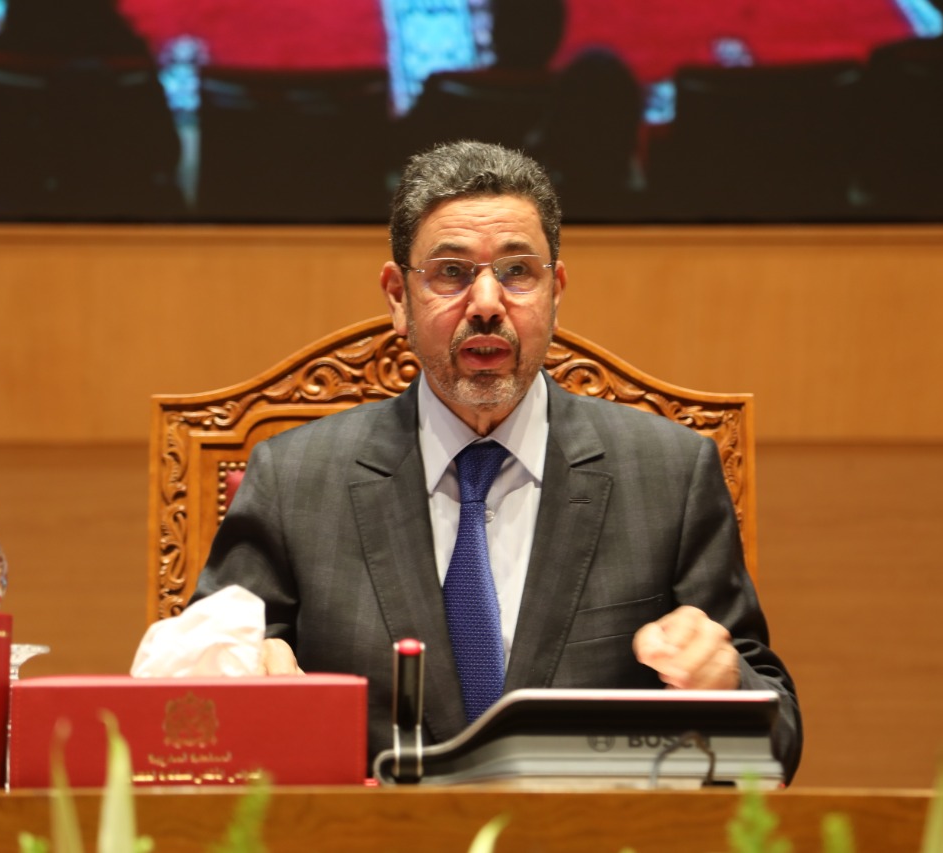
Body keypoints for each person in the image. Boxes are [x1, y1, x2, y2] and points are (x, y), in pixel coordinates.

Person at [192, 140, 801, 781]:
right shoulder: (293, 482)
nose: (486, 303)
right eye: (451, 272)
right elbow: (190, 705)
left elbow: (778, 743)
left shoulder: (669, 476)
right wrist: (238, 675)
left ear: (555, 291)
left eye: (517, 272)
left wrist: (724, 685)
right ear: (398, 296)